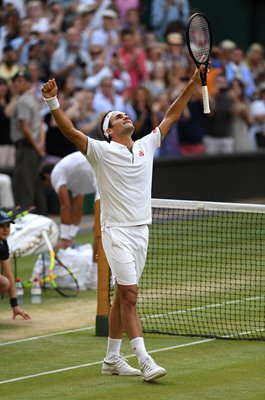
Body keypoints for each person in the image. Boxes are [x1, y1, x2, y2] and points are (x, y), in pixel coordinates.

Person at [41, 64, 205, 381]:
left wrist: (192, 83)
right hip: (115, 233)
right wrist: (53, 102)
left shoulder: (146, 145)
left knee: (122, 297)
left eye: (124, 114)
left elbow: (170, 115)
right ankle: (144, 359)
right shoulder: (100, 151)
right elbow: (70, 131)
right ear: (109, 131)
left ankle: (111, 360)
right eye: (117, 117)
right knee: (130, 295)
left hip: (142, 231)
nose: (124, 117)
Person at [39, 151, 98, 249]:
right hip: (104, 166)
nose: (50, 187)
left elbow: (66, 206)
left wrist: (64, 240)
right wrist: (70, 236)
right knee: (100, 227)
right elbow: (77, 209)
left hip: (101, 165)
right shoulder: (74, 176)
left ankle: (96, 263)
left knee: (100, 227)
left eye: (46, 184)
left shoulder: (56, 173)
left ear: (46, 176)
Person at [10, 69, 46, 214]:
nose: (16, 84)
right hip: (34, 146)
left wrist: (37, 147)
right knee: (34, 185)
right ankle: (42, 217)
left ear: (28, 83)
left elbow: (24, 128)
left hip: (26, 147)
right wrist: (40, 145)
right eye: (15, 81)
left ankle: (26, 219)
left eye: (20, 81)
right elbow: (41, 126)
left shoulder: (23, 101)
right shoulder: (32, 99)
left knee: (24, 188)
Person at [0, 210, 30, 320]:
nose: (6, 230)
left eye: (7, 226)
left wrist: (15, 305)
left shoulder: (3, 243)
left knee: (5, 282)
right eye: (1, 226)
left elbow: (8, 273)